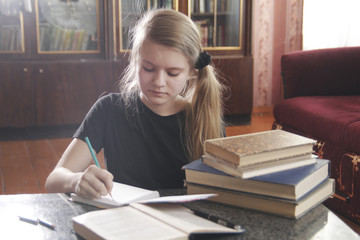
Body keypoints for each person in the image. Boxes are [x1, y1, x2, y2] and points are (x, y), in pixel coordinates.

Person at [45, 9, 226, 199]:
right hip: (125, 222)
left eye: (172, 73)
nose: (159, 82)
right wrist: (76, 181)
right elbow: (54, 180)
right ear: (135, 61)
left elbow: (220, 194)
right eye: (148, 68)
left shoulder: (204, 119)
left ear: (192, 72)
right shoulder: (109, 110)